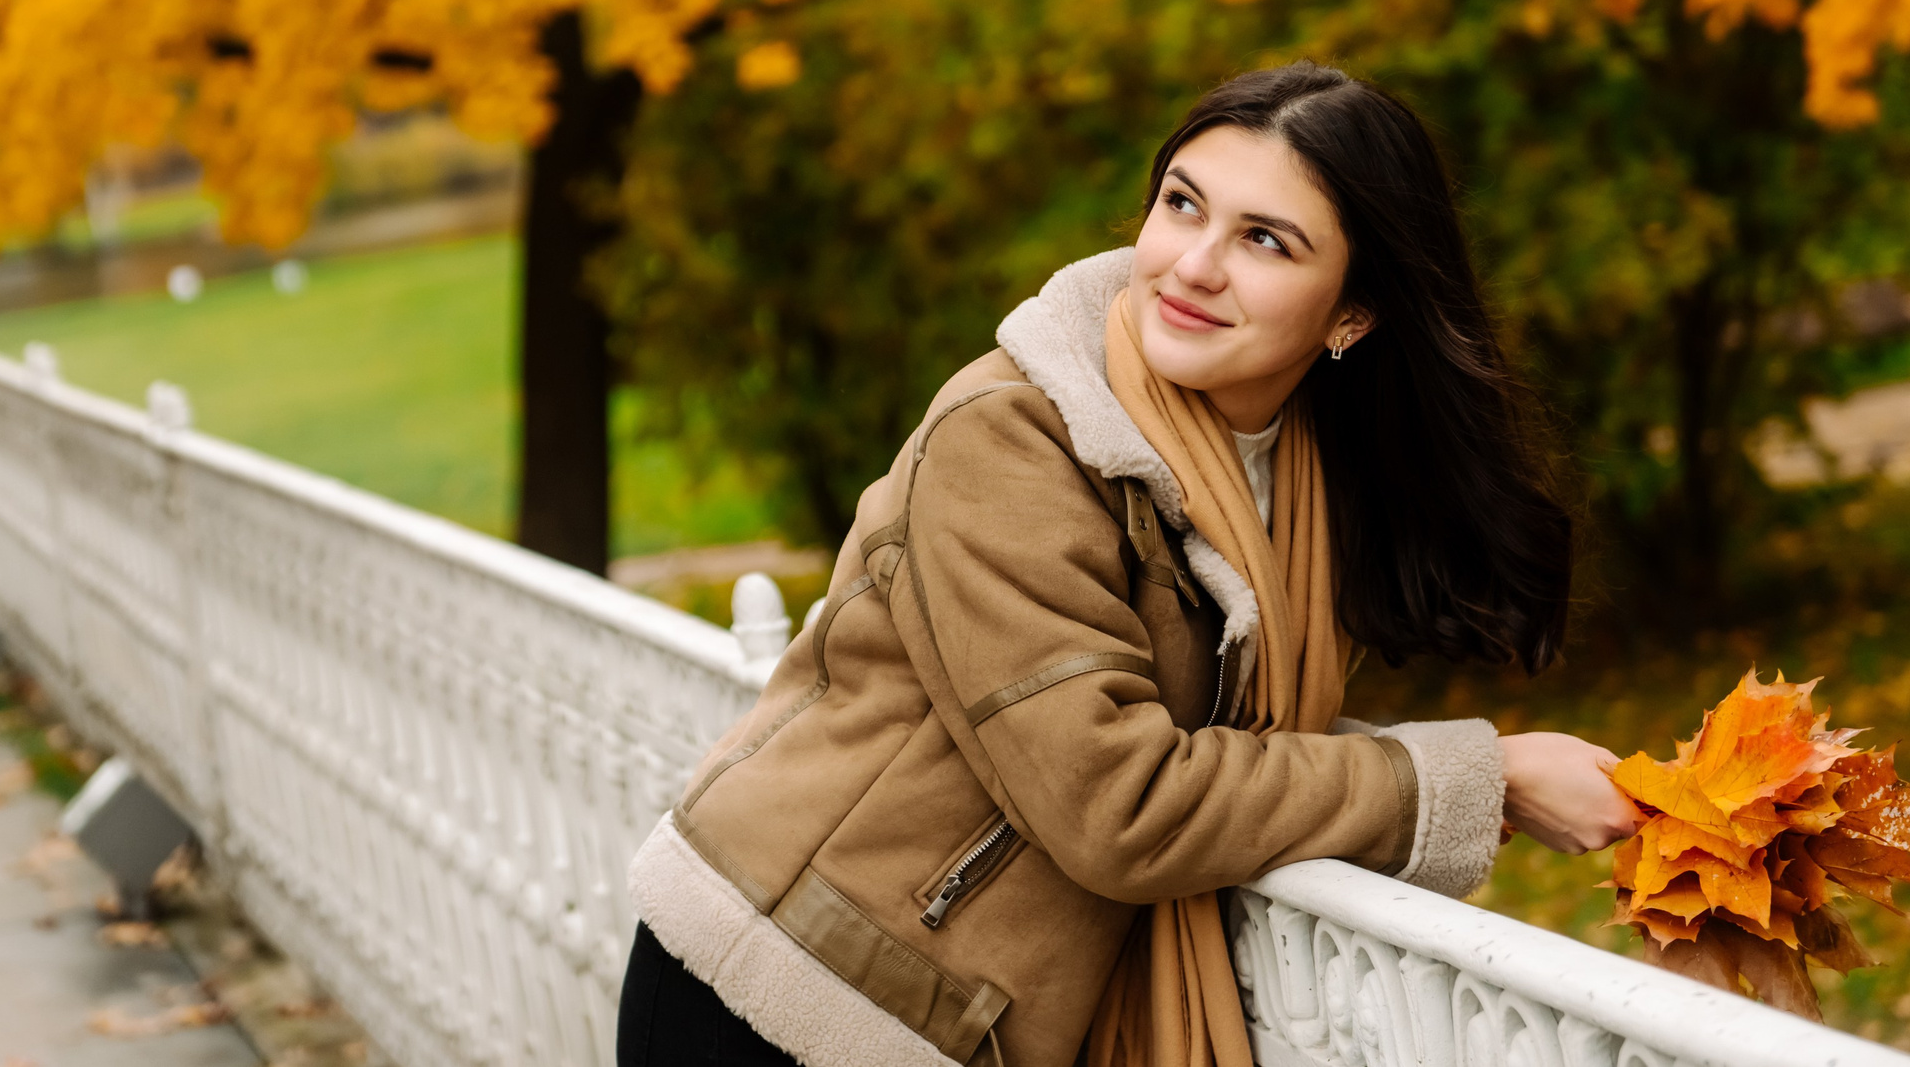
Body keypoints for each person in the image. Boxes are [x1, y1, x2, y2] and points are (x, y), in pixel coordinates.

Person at [618, 63, 1640, 1067]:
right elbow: (1116, 798)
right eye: (1182, 204)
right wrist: (1483, 775)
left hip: (951, 1010)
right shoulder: (1010, 436)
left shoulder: (1294, 482)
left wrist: (1483, 780)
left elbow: (1215, 737)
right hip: (787, 997)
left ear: (1351, 315)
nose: (1194, 263)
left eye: (1264, 240)